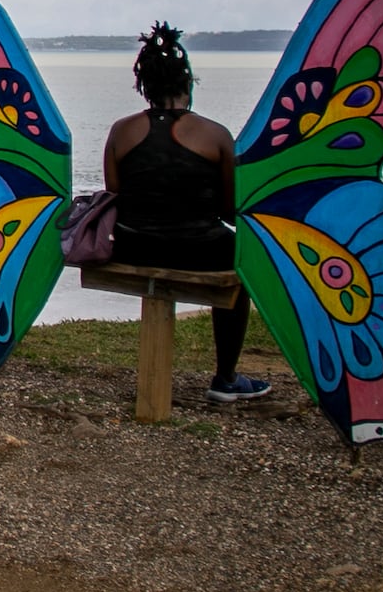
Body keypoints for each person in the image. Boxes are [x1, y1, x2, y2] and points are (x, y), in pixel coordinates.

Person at [101, 23, 271, 403]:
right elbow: (230, 208)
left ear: (144, 86)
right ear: (188, 85)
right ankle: (226, 378)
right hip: (200, 248)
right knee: (240, 256)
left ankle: (225, 378)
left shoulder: (120, 131)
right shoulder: (216, 135)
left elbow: (115, 196)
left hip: (133, 245)